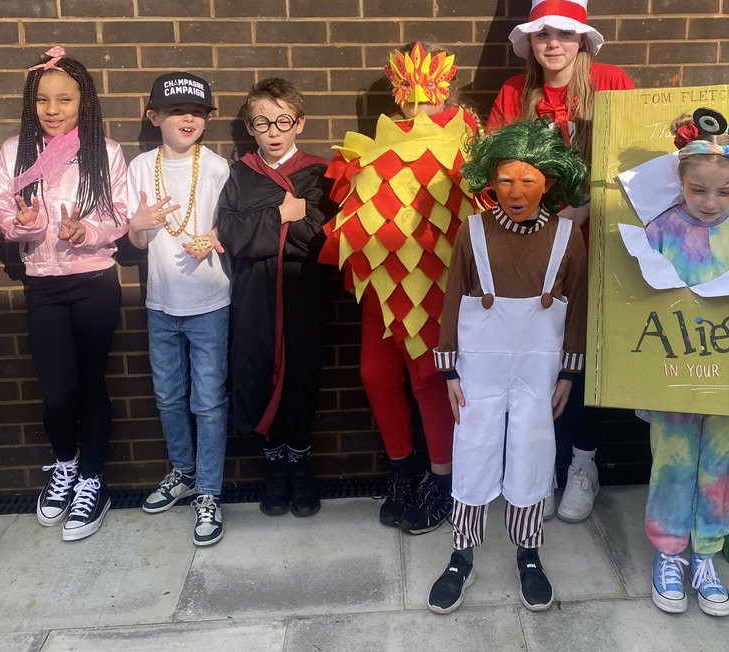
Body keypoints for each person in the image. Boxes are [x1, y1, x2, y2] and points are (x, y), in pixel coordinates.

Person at [488, 0, 634, 524]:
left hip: (596, 250)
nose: (554, 43)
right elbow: (490, 173)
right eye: (544, 33)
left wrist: (585, 211)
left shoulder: (614, 86)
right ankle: (541, 464)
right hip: (532, 253)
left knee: (586, 359)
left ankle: (583, 462)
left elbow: (635, 166)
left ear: (582, 39)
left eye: (565, 32)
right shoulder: (512, 94)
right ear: (531, 40)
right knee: (540, 360)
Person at [320, 42, 483, 534]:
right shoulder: (376, 145)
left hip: (435, 279)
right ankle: (403, 470)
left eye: (427, 90)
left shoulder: (469, 143)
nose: (417, 103)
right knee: (375, 374)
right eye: (407, 92)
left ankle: (441, 480)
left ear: (446, 89)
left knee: (430, 380)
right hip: (382, 279)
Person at [427, 119, 588, 615]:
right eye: (505, 180)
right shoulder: (473, 230)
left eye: (528, 180)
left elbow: (578, 306)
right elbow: (453, 299)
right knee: (472, 448)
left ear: (550, 182)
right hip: (480, 366)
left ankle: (529, 550)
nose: (516, 192)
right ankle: (462, 553)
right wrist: (450, 370)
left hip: (540, 371)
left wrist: (568, 372)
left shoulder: (568, 236)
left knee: (532, 452)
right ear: (489, 181)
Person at [0, 46, 128, 542]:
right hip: (43, 285)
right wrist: (25, 225)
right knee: (57, 391)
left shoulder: (105, 152)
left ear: (82, 102)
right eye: (44, 100)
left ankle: (93, 480)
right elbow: (0, 210)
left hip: (94, 282)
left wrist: (82, 232)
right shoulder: (14, 151)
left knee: (91, 382)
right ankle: (65, 466)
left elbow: (120, 215)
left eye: (64, 99)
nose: (53, 110)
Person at [643, 117, 729, 618]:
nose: (710, 202)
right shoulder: (662, 228)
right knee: (672, 456)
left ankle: (707, 554)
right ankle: (669, 552)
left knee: (723, 460)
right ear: (680, 182)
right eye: (698, 189)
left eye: (724, 191)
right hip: (676, 367)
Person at [216, 77, 333, 518]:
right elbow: (230, 233)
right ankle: (274, 468)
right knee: (257, 371)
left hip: (302, 292)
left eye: (283, 120)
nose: (273, 130)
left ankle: (300, 465)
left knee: (301, 373)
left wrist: (271, 228)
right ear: (251, 127)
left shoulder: (321, 173)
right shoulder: (240, 175)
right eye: (262, 122)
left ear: (299, 123)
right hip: (253, 295)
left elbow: (324, 241)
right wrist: (282, 215)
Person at [126, 72, 231, 546]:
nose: (189, 118)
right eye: (176, 111)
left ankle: (209, 490)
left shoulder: (217, 167)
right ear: (155, 118)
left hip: (210, 302)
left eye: (198, 111)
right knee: (168, 397)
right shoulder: (139, 167)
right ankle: (183, 471)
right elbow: (136, 238)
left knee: (208, 402)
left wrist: (213, 237)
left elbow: (231, 226)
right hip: (161, 303)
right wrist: (138, 224)